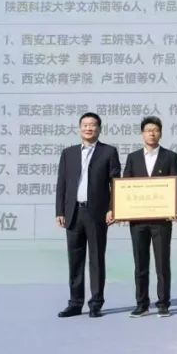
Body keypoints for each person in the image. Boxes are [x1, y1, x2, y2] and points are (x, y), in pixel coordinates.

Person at [54, 112, 121, 318]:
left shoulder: (108, 152)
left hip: (97, 213)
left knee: (96, 259)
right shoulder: (68, 153)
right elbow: (62, 184)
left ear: (99, 129)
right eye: (85, 125)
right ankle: (75, 303)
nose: (88, 128)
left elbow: (116, 184)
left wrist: (113, 208)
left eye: (92, 125)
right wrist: (60, 211)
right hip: (73, 213)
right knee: (75, 260)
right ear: (79, 128)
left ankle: (96, 303)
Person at [122, 116, 177, 318]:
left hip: (162, 220)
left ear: (160, 133)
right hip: (138, 220)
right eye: (148, 130)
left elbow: (175, 184)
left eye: (155, 130)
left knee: (162, 263)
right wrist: (121, 209)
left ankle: (163, 303)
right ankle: (142, 304)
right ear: (142, 134)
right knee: (140, 263)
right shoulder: (133, 157)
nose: (152, 133)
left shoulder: (170, 156)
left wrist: (176, 209)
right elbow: (125, 187)